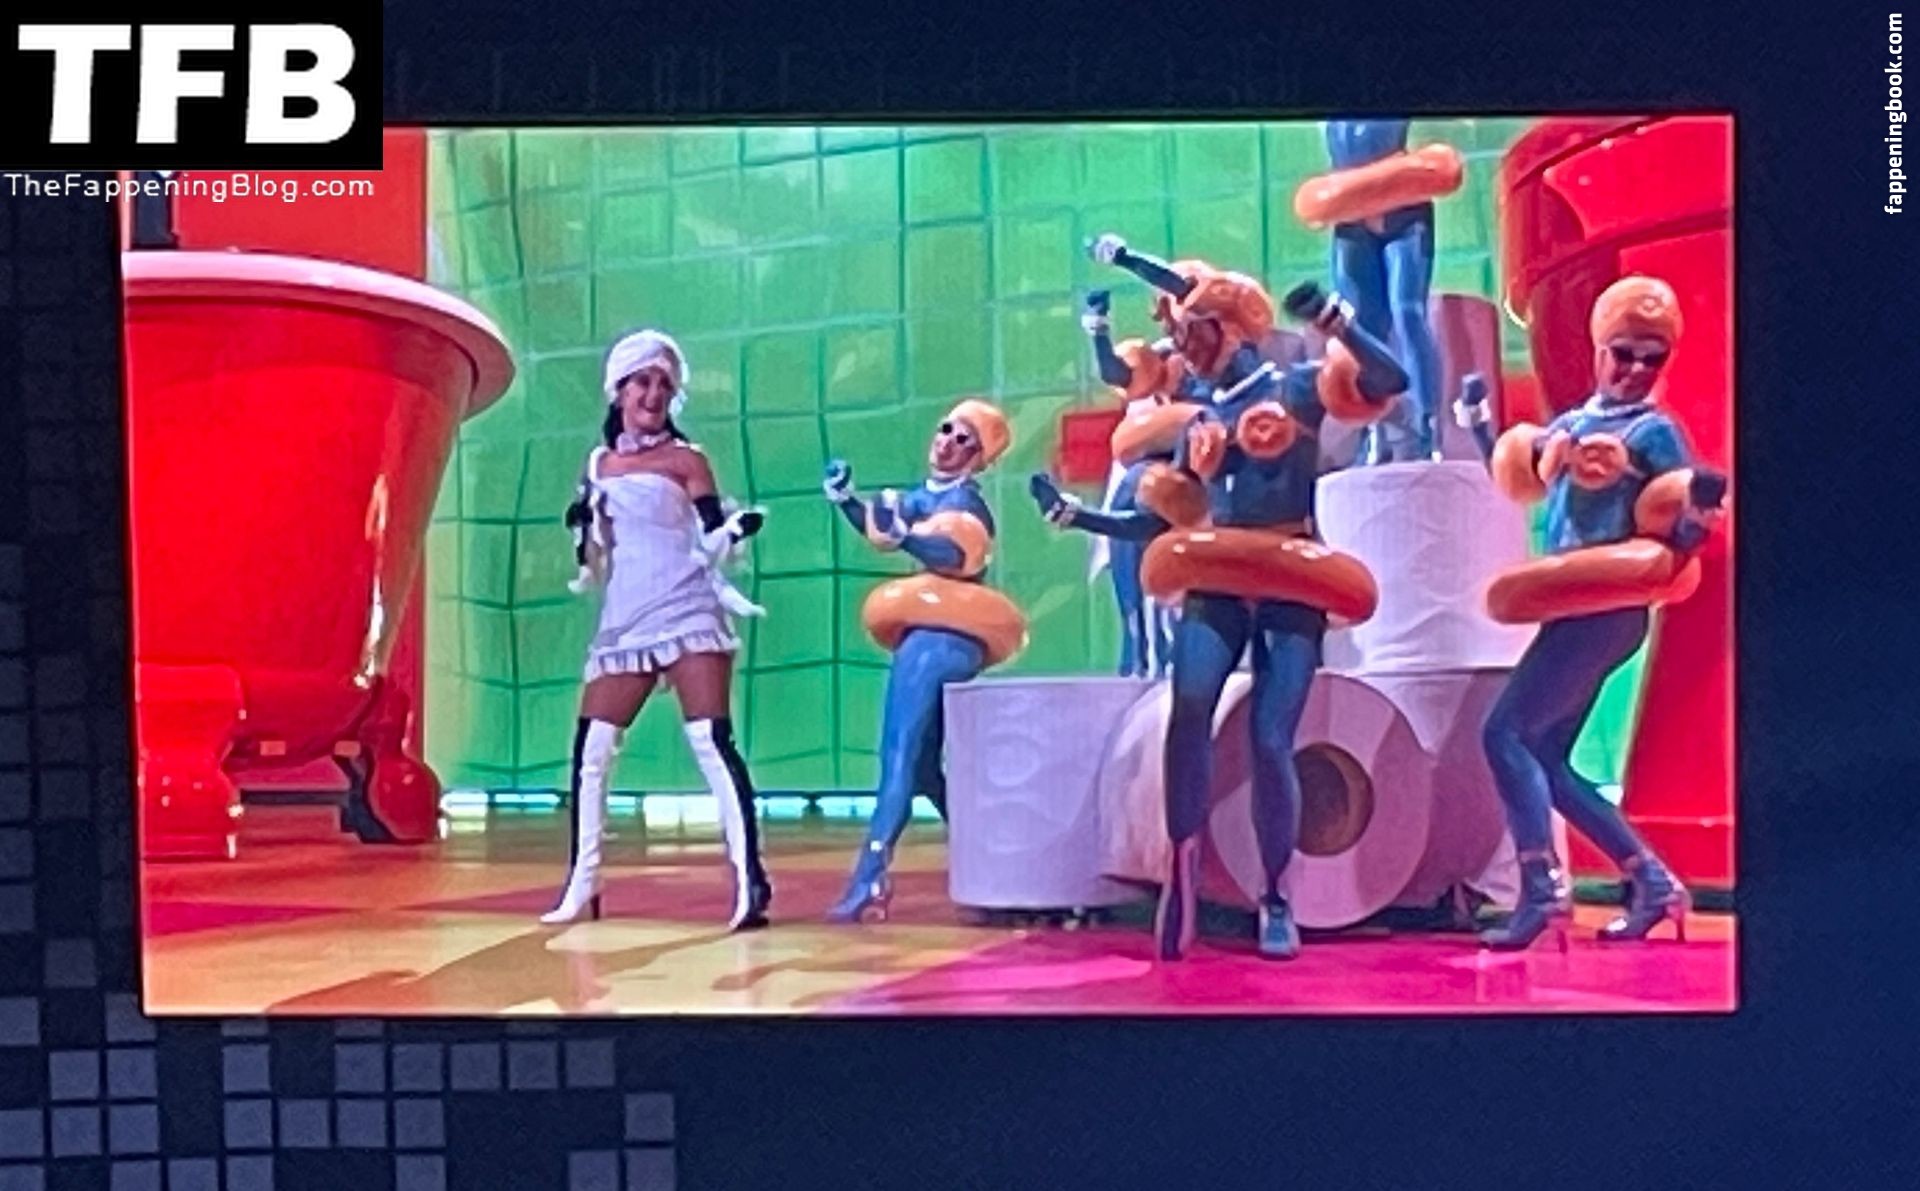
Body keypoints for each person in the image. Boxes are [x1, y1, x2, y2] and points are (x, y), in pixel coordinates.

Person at [1031, 235, 1408, 960]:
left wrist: (1334, 321)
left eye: (1189, 328)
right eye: (1174, 333)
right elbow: (1164, 517)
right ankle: (1183, 868)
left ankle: (1276, 894)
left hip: (1290, 576)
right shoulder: (1196, 414)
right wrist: (1082, 519)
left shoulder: (1298, 388)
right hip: (1220, 575)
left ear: (1226, 323)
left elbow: (1389, 379)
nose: (1180, 343)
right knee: (1190, 707)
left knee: (1271, 736)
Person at [1477, 277, 1727, 950]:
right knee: (1546, 756)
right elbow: (1519, 472)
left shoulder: (1654, 432)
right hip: (1572, 607)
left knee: (1503, 734)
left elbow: (1680, 518)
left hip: (1606, 611)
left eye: (1653, 357)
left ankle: (1541, 887)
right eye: (1625, 353)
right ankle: (1654, 881)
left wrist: (1697, 513)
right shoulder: (1570, 425)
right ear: (1598, 350)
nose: (1637, 369)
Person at [542, 329, 773, 932]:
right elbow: (594, 554)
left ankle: (750, 882)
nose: (653, 394)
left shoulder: (688, 459)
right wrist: (581, 530)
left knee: (711, 741)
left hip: (688, 608)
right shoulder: (598, 465)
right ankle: (583, 882)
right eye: (642, 382)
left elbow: (712, 535)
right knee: (592, 752)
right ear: (618, 389)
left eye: (663, 385)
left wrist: (734, 530)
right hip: (626, 618)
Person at [822, 401, 1027, 923]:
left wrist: (907, 537)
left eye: (965, 440)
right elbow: (882, 527)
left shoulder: (964, 502)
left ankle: (870, 875)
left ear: (978, 458)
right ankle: (999, 858)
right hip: (929, 635)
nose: (949, 442)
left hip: (943, 639)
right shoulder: (926, 495)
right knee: (923, 768)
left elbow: (953, 553)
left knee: (899, 755)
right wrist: (846, 499)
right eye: (947, 430)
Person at [1078, 289, 1206, 678]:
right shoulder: (1158, 360)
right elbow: (1117, 372)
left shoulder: (1226, 364)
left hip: (1200, 489)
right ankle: (1140, 659)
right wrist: (1099, 329)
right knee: (1136, 591)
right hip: (1147, 487)